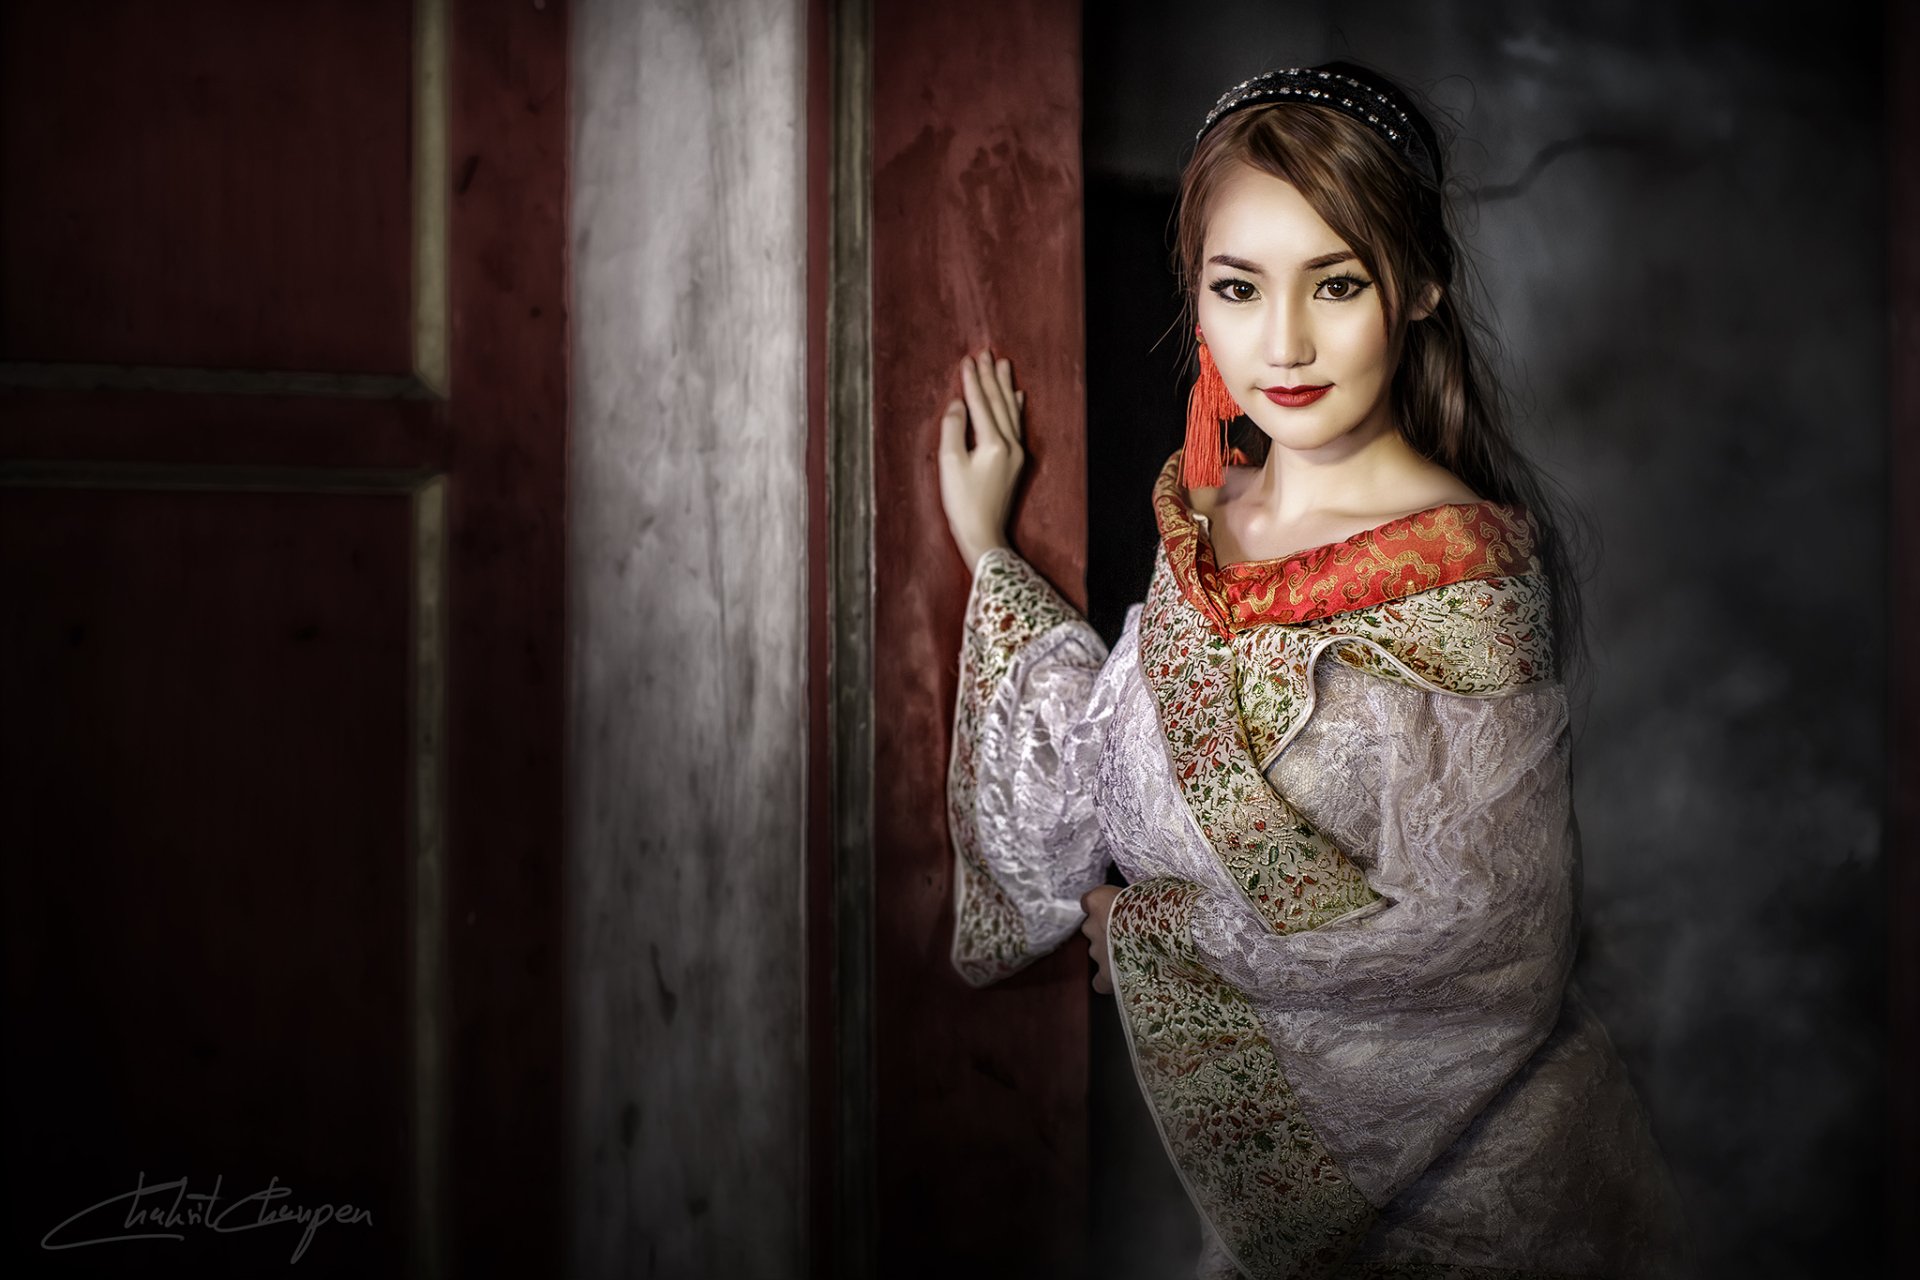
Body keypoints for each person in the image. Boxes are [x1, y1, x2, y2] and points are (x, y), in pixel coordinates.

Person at [934, 62, 1694, 1280]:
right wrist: (987, 547)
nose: (1281, 342)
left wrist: (1147, 932)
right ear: (1198, 297)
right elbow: (1081, 779)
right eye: (1238, 287)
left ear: (1420, 285)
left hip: (1492, 1213)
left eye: (1335, 283)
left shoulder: (1466, 588)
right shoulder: (1205, 527)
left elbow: (1484, 953)